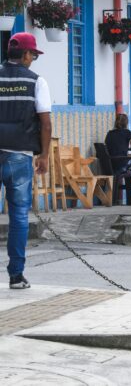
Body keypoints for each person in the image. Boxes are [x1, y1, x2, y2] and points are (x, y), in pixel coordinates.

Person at [0, 32, 51, 290]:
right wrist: (43, 155)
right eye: (33, 55)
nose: (33, 59)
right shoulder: (36, 82)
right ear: (26, 55)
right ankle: (16, 276)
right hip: (20, 156)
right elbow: (45, 123)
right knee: (19, 215)